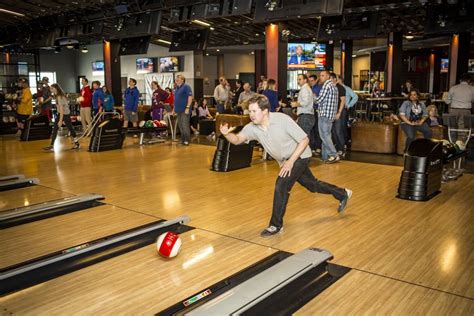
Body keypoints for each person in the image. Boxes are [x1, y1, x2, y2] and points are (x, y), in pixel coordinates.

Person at [219, 95, 352, 237]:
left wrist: (290, 162)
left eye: (254, 111)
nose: (251, 115)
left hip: (299, 156)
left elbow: (304, 140)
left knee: (281, 185)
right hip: (285, 161)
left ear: (264, 111)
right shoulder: (252, 127)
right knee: (312, 185)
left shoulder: (282, 120)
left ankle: (275, 225)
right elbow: (238, 139)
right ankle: (343, 193)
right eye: (249, 111)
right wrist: (227, 134)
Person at [43, 83, 80, 151]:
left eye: (52, 88)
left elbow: (62, 109)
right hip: (61, 113)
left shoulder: (60, 97)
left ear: (56, 89)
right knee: (55, 129)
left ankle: (77, 143)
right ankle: (51, 146)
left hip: (65, 114)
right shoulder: (57, 96)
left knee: (70, 129)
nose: (51, 90)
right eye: (50, 88)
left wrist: (60, 120)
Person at [316, 71, 340, 163]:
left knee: (324, 136)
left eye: (322, 75)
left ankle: (334, 155)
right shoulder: (334, 86)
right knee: (326, 136)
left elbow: (319, 100)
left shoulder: (326, 85)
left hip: (324, 114)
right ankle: (325, 156)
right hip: (330, 115)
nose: (320, 77)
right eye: (320, 75)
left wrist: (313, 97)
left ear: (328, 76)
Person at [330, 73, 348, 156]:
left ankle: (341, 149)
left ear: (334, 79)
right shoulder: (330, 88)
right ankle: (337, 148)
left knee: (338, 131)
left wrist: (339, 112)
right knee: (333, 132)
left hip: (337, 112)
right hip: (331, 113)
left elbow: (343, 101)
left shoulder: (340, 88)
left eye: (330, 78)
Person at [174, 74, 193, 145]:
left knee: (185, 125)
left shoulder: (186, 87)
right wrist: (173, 109)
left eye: (178, 79)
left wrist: (187, 107)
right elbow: (175, 100)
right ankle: (183, 139)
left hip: (184, 110)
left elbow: (190, 97)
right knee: (180, 126)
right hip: (178, 110)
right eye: (176, 79)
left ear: (182, 80)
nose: (176, 80)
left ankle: (187, 140)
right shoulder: (176, 89)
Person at [308, 74, 322, 155]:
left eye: (312, 81)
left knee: (317, 130)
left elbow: (319, 100)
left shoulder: (319, 88)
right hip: (311, 111)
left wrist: (314, 98)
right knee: (312, 130)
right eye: (309, 81)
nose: (311, 82)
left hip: (317, 110)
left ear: (316, 80)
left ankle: (318, 147)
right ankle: (312, 147)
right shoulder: (310, 88)